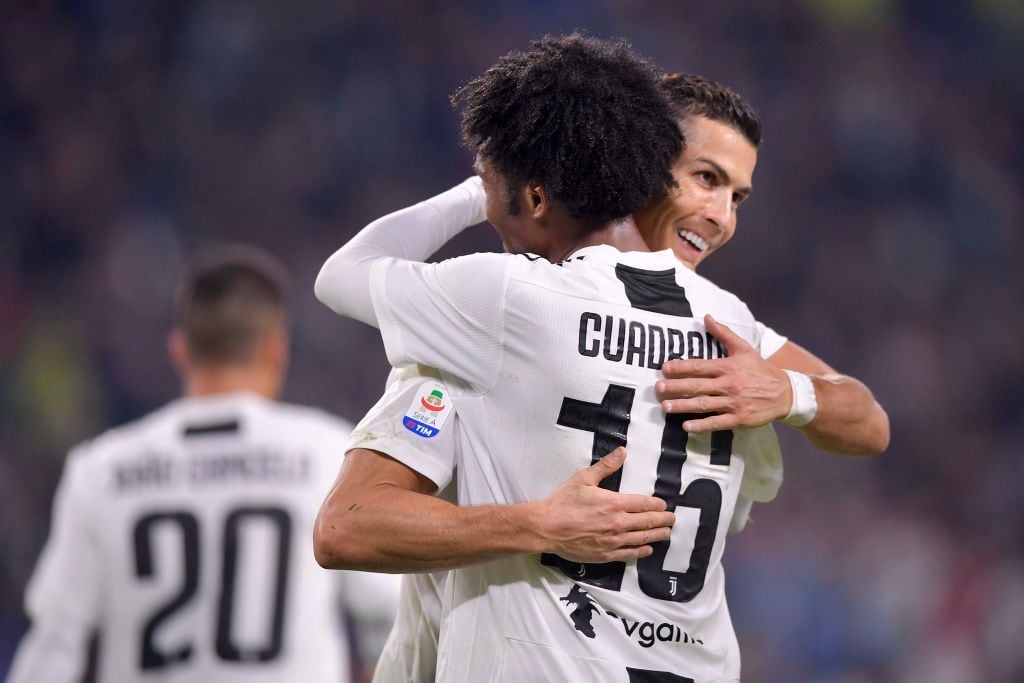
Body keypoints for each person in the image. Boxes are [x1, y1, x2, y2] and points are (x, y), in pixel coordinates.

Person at [314, 34, 787, 681]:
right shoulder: (731, 325)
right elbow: (851, 422)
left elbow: (345, 527)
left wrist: (539, 523)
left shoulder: (492, 308)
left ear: (534, 197)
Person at [8, 246, 399, 683]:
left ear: (180, 350)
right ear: (275, 350)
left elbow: (55, 647)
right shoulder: (328, 454)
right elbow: (390, 623)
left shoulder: (101, 469)